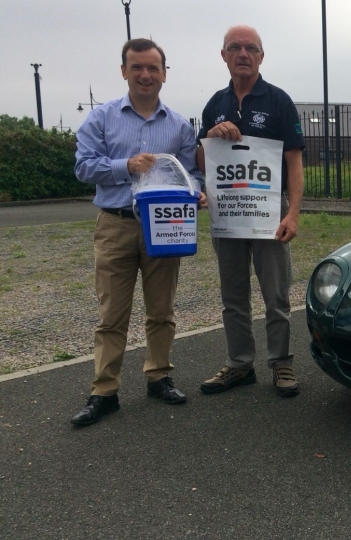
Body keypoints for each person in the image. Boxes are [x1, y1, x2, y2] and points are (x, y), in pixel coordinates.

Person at [71, 38, 205, 426]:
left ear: (164, 73)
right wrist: (126, 165)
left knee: (161, 309)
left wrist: (195, 194)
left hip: (165, 224)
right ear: (124, 71)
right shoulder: (102, 118)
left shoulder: (179, 125)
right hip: (116, 223)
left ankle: (159, 375)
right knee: (112, 314)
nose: (145, 75)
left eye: (152, 68)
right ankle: (104, 390)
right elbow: (83, 167)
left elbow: (189, 174)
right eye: (137, 67)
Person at [197, 25, 305, 397]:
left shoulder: (278, 101)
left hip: (267, 214)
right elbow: (202, 161)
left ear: (261, 56)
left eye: (251, 48)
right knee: (233, 296)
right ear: (224, 55)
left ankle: (282, 362)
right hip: (227, 215)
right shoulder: (214, 104)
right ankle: (240, 365)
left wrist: (292, 214)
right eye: (235, 48)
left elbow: (294, 163)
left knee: (276, 294)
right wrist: (211, 134)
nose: (243, 54)